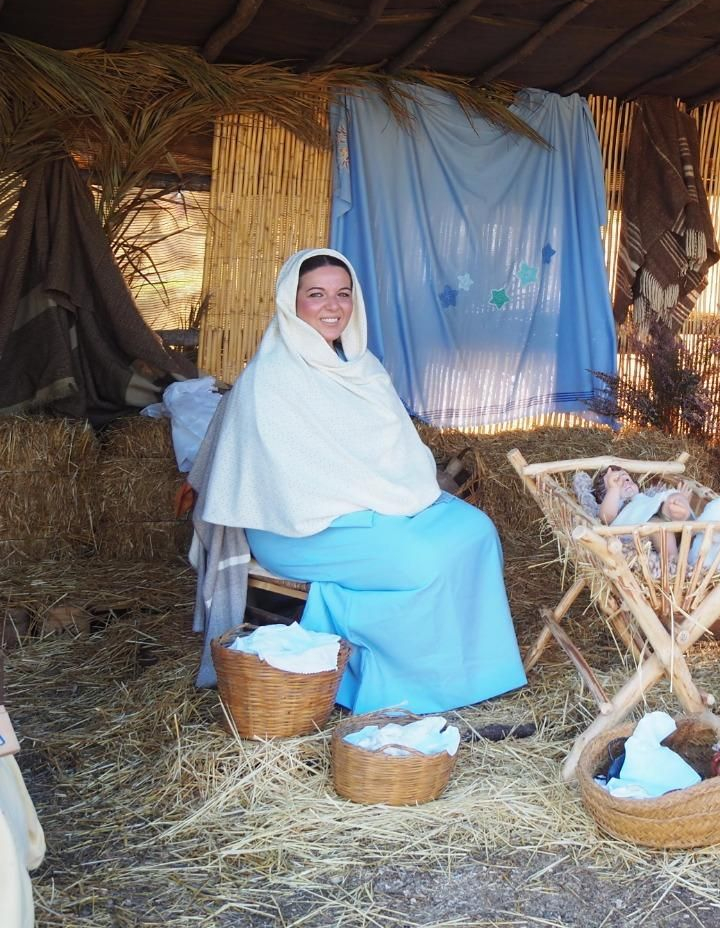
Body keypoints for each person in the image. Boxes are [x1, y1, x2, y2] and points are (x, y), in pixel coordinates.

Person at [192, 248, 526, 714]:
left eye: (343, 294)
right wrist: (379, 501)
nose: (333, 306)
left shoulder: (363, 368)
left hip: (370, 509)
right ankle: (394, 685)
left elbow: (398, 455)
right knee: (423, 559)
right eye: (316, 294)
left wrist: (392, 498)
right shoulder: (270, 379)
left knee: (476, 532)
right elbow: (293, 483)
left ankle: (469, 675)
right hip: (302, 528)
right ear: (292, 301)